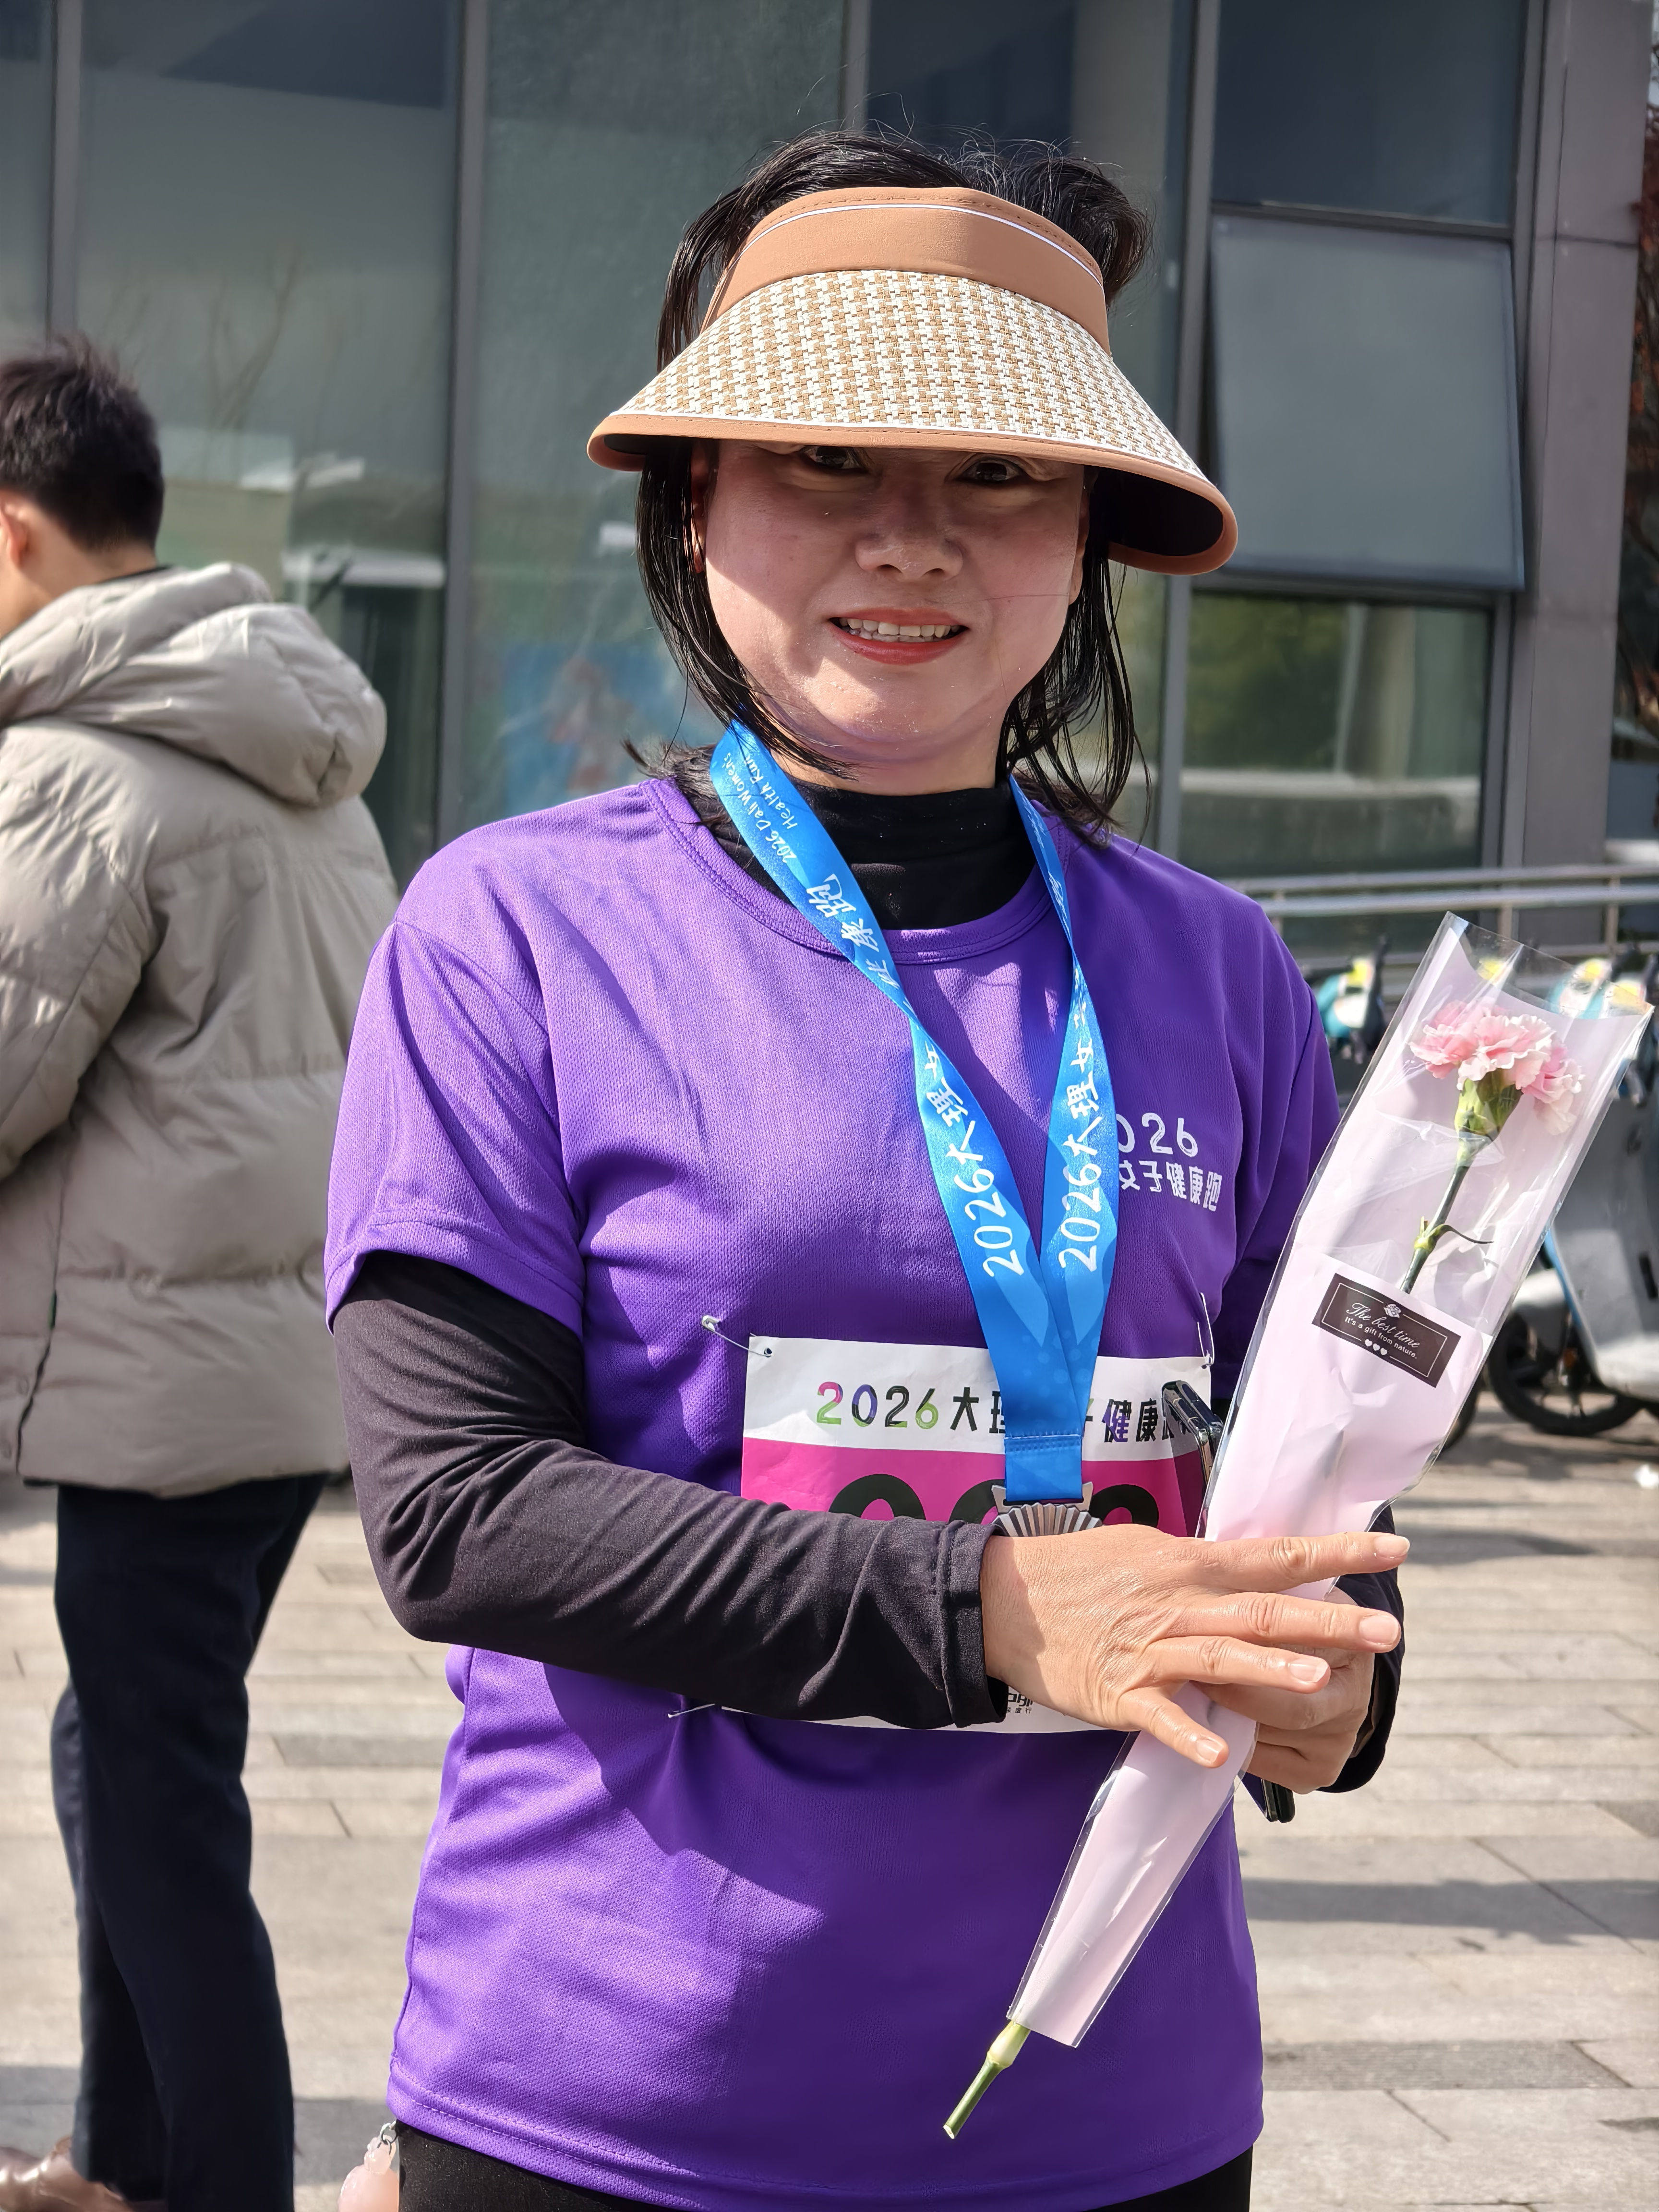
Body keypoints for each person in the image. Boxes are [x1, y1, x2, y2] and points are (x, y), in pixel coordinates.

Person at [325, 131, 1406, 2211]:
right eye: (827, 458)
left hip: (1123, 2105)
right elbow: (458, 1511)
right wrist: (1002, 1607)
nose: (911, 537)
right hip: (627, 2091)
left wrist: (1335, 1686)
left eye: (1000, 472)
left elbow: (1308, 1479)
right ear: (696, 501)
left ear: (1085, 532)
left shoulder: (1221, 971)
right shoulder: (513, 933)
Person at [0, 341, 397, 2212]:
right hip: (272, 1375)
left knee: (159, 1810)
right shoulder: (297, 752)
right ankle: (125, 2157)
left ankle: (213, 2183)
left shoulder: (77, 770)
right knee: (131, 1755)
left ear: (13, 533)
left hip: (157, 1387)